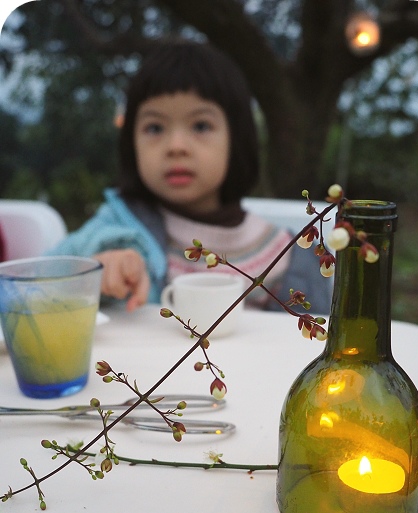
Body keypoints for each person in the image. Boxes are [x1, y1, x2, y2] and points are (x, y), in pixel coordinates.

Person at [48, 38, 331, 313]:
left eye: (200, 126)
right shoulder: (117, 226)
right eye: (155, 128)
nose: (176, 147)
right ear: (131, 143)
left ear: (237, 139)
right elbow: (33, 286)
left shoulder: (288, 254)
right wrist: (93, 272)